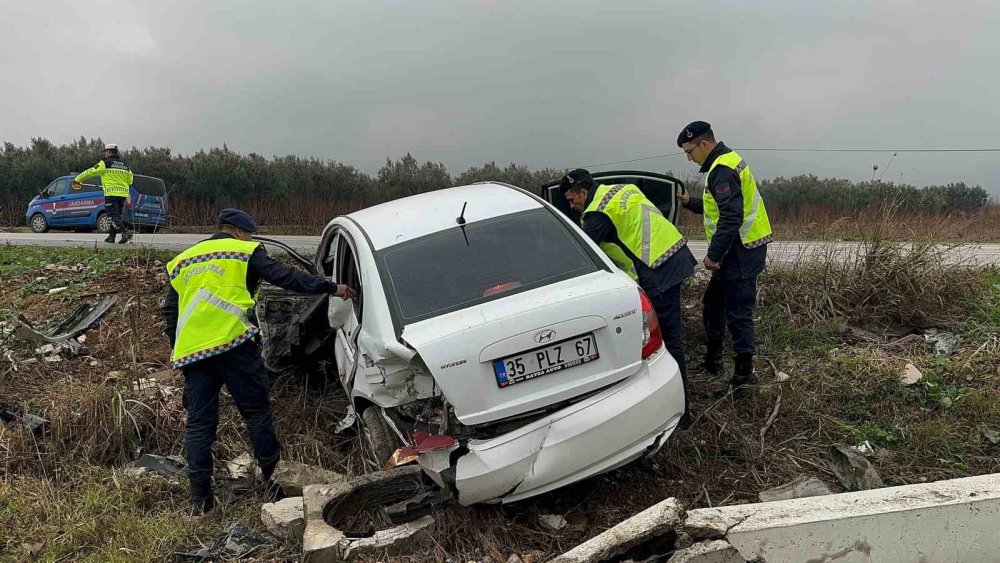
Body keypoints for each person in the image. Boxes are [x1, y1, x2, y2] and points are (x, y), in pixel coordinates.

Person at [161, 208, 356, 514]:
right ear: (240, 231)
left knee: (199, 425)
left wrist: (180, 350)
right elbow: (288, 277)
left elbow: (170, 313)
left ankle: (201, 501)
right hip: (233, 345)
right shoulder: (244, 251)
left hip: (194, 353)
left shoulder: (183, 259)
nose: (252, 238)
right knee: (256, 414)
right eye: (250, 233)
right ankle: (272, 483)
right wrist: (331, 287)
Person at [560, 169, 696, 423]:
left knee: (668, 340)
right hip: (675, 254)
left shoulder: (596, 214)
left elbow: (583, 253)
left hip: (658, 268)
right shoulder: (621, 190)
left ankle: (682, 411)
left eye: (572, 199)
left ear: (583, 192)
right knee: (671, 336)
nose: (572, 205)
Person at [676, 121, 773, 398]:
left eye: (689, 150)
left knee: (739, 314)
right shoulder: (726, 162)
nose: (689, 156)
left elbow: (731, 216)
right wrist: (688, 201)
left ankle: (744, 376)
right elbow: (716, 207)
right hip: (739, 248)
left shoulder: (721, 169)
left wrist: (713, 256)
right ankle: (713, 360)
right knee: (713, 303)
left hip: (740, 251)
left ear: (704, 144)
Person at [73, 143, 134, 244]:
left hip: (111, 193)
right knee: (117, 215)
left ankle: (125, 233)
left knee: (112, 216)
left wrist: (77, 179)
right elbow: (130, 180)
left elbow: (91, 171)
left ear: (109, 152)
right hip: (123, 194)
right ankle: (112, 236)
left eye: (105, 152)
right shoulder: (125, 165)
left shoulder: (105, 163)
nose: (105, 154)